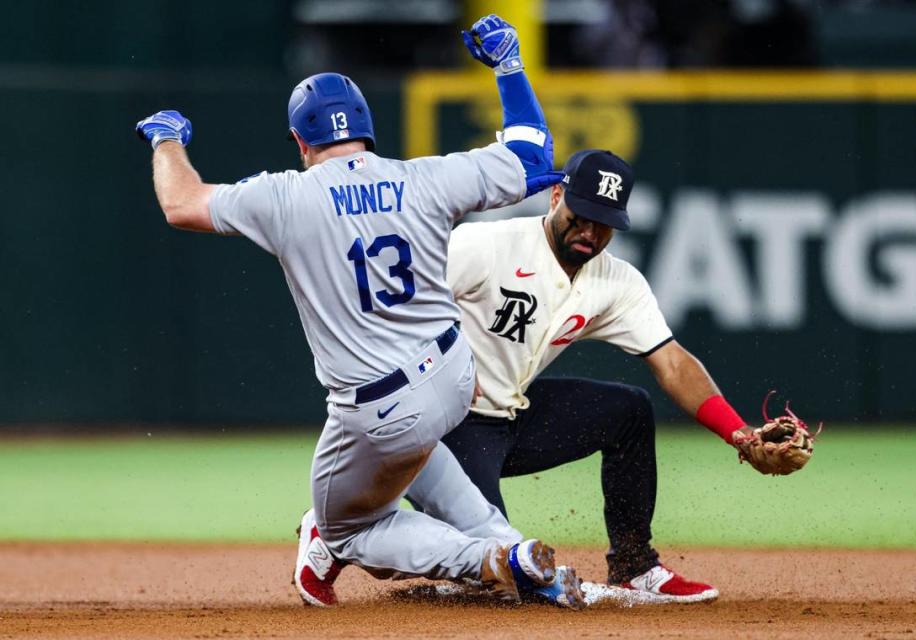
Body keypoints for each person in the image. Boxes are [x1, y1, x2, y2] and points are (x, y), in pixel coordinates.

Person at [135, 15, 585, 609]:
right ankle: (520, 551)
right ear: (367, 132)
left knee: (347, 528)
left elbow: (181, 203)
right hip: (452, 373)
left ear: (301, 142)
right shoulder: (426, 178)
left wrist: (167, 140)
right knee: (415, 455)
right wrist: (508, 65)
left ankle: (489, 560)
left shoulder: (285, 196)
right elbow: (532, 155)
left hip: (380, 406)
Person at [297, 148, 763, 606]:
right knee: (497, 570)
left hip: (513, 414)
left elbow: (674, 363)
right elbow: (396, 303)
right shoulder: (487, 245)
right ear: (555, 195)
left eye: (603, 223)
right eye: (581, 215)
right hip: (450, 426)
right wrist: (440, 365)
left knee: (631, 411)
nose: (589, 231)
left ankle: (635, 566)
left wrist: (740, 433)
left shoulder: (615, 282)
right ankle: (341, 530)